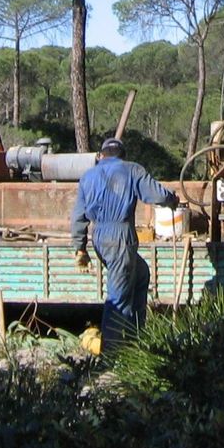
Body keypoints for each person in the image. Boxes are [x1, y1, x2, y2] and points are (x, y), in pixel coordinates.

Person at [71, 136, 178, 355]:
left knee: (140, 276)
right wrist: (171, 200)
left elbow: (78, 216)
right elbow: (156, 194)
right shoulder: (131, 170)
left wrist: (79, 248)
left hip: (99, 236)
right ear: (122, 155)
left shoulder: (88, 176)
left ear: (101, 156)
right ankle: (111, 357)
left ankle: (134, 340)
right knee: (118, 297)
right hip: (120, 236)